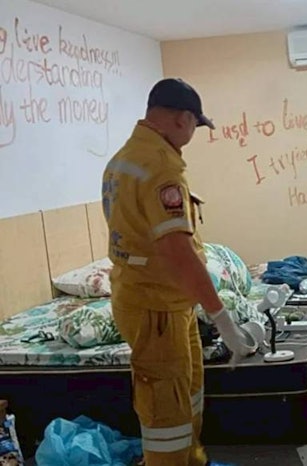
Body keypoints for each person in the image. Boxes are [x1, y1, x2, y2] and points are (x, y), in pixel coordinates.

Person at [101, 78, 253, 466]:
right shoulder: (160, 166)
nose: (192, 135)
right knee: (165, 409)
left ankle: (192, 458)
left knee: (188, 388)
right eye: (195, 126)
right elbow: (178, 252)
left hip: (162, 299)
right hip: (155, 304)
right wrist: (223, 321)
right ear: (184, 119)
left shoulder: (123, 159)